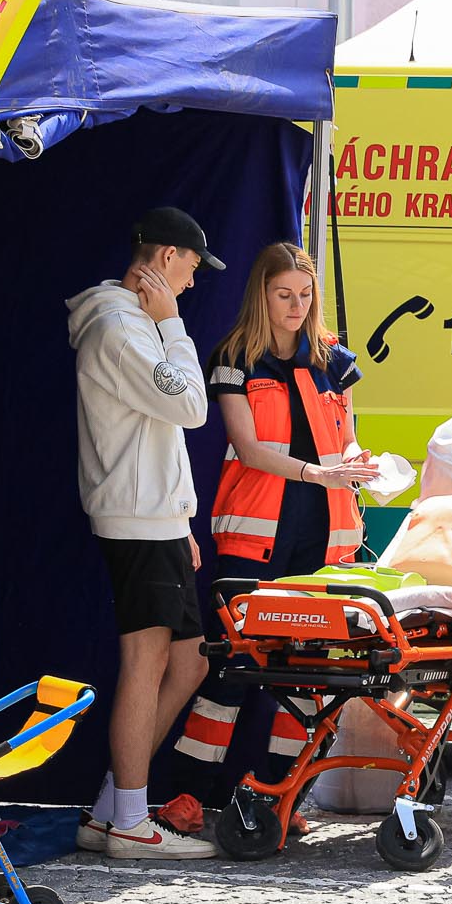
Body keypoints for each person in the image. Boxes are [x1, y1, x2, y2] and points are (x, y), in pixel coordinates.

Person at [163, 242, 378, 834]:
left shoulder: (334, 358)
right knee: (231, 671)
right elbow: (251, 449)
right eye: (284, 294)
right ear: (261, 293)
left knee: (310, 678)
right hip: (252, 540)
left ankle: (279, 796)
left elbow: (349, 436)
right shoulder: (236, 357)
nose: (296, 305)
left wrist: (361, 465)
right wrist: (320, 472)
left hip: (326, 539)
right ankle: (189, 797)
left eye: (305, 295)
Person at [68, 207, 222, 859]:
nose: (190, 284)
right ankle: (130, 818)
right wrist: (172, 325)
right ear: (165, 259)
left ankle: (113, 805)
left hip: (157, 517)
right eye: (189, 269)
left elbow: (159, 428)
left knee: (189, 659)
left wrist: (179, 520)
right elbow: (190, 406)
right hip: (135, 518)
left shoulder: (131, 323)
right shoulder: (120, 327)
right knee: (146, 659)